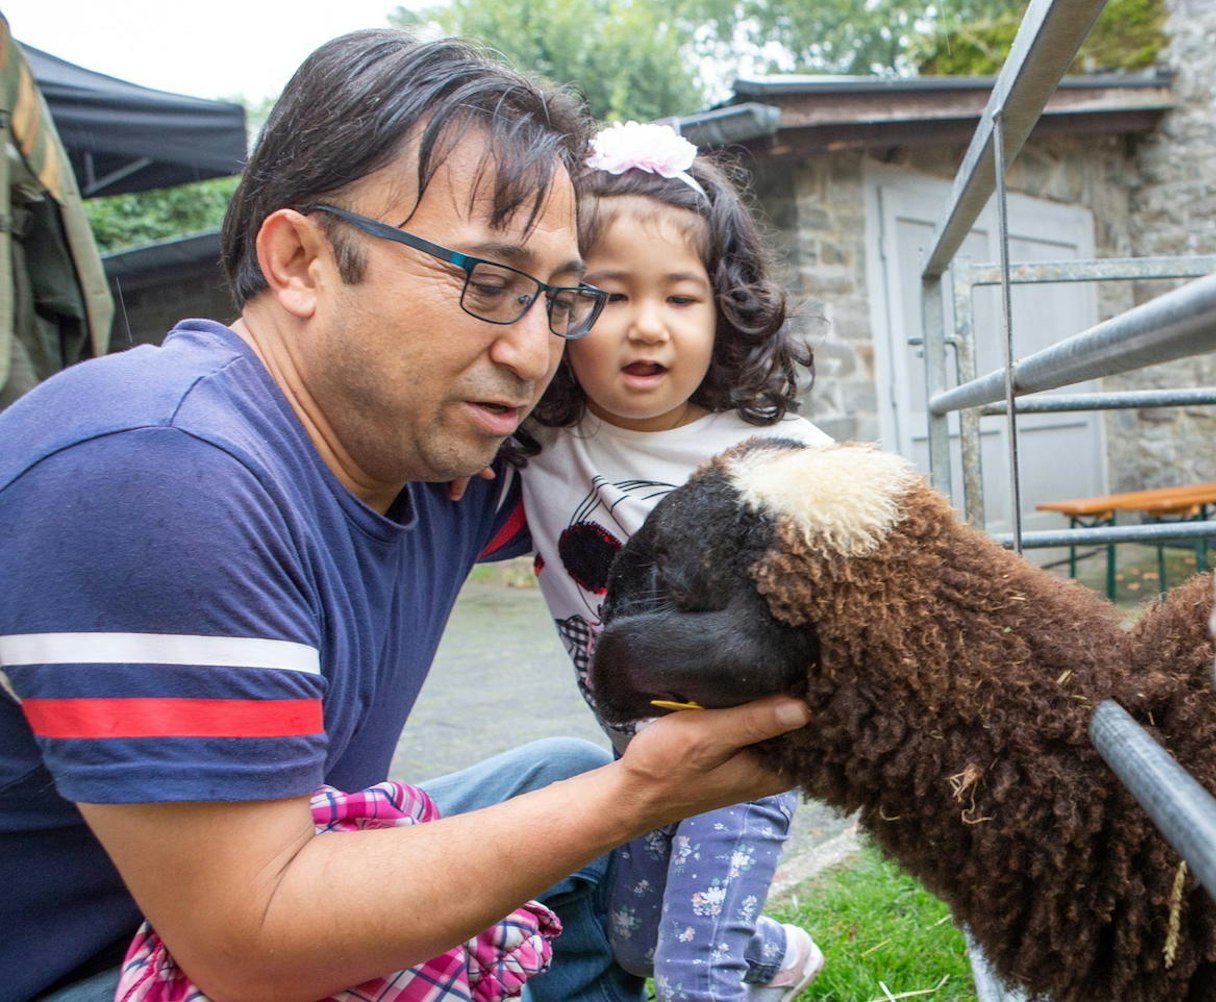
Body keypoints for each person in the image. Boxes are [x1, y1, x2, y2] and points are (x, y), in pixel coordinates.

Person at [0, 30, 805, 1002]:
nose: (529, 350)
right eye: (489, 283)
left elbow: (640, 461)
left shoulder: (439, 463)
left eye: (558, 300)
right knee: (591, 806)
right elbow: (251, 945)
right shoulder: (158, 471)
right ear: (298, 259)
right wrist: (641, 792)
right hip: (96, 966)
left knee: (555, 780)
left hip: (215, 922)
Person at [501, 122, 829, 1002]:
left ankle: (730, 959)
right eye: (609, 295)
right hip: (635, 754)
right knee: (636, 941)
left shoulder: (781, 457)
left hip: (740, 754)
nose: (646, 327)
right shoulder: (535, 442)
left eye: (680, 298)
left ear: (726, 309)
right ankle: (778, 953)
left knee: (692, 973)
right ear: (561, 304)